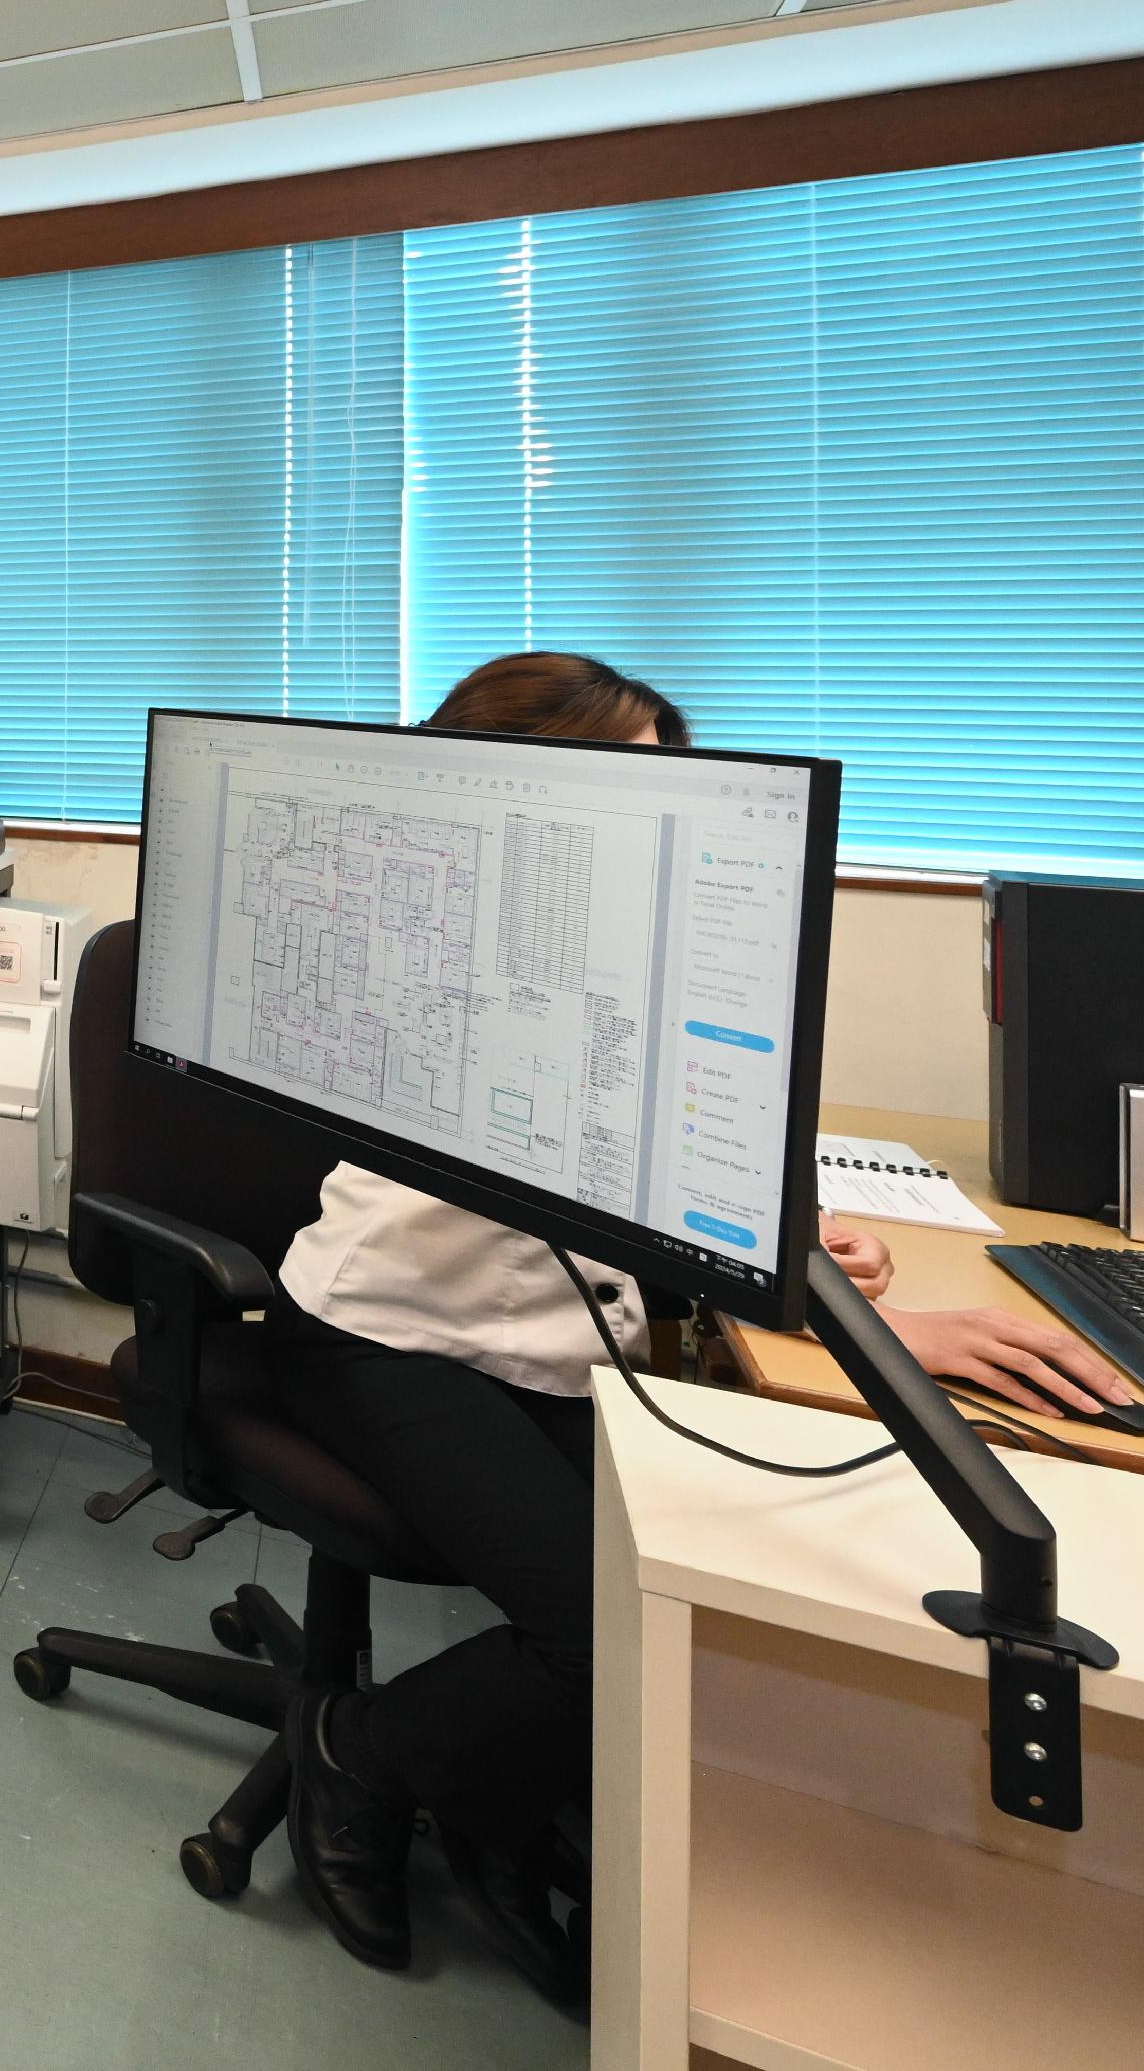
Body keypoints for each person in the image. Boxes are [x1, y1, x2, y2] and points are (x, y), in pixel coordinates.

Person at [267, 650, 1139, 2005]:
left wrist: (796, 1248)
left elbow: (661, 1146)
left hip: (549, 1336)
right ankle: (357, 1751)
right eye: (630, 783)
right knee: (607, 1635)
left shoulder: (616, 947)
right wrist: (819, 1297)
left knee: (678, 1596)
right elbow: (592, 1146)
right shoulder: (453, 951)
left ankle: (497, 1801)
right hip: (386, 1331)